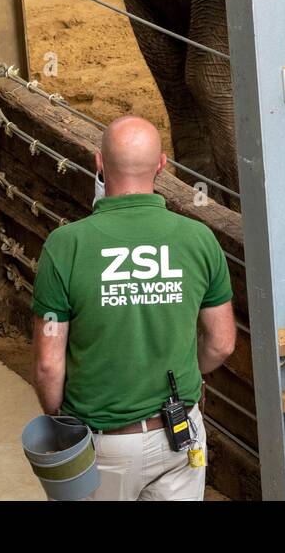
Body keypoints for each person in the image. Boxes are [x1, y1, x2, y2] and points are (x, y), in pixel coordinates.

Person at [31, 116, 235, 501]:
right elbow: (222, 343)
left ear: (99, 164)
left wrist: (61, 419)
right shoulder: (199, 239)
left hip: (103, 446)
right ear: (162, 165)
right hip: (180, 433)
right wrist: (188, 374)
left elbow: (47, 364)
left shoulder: (65, 245)